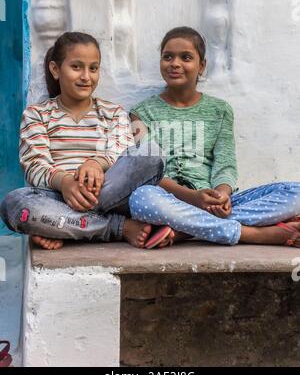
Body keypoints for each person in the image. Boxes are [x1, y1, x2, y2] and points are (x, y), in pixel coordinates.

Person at [129, 26, 300, 248]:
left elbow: (225, 164)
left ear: (202, 66)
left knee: (296, 192)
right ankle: (252, 234)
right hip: (168, 199)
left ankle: (183, 230)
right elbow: (148, 172)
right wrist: (193, 198)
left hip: (212, 202)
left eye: (186, 57)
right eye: (167, 57)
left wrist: (221, 195)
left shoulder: (220, 110)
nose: (175, 63)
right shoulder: (140, 113)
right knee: (141, 198)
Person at [0, 31, 165, 250]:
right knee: (15, 205)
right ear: (55, 69)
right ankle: (117, 227)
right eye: (76, 67)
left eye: (93, 68)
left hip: (106, 193)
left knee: (150, 152)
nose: (86, 76)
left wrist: (96, 163)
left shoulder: (112, 112)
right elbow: (35, 165)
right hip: (56, 197)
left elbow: (122, 151)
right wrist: (65, 183)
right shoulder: (36, 114)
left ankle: (62, 226)